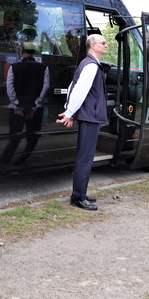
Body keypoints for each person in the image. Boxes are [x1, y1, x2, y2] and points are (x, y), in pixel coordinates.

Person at [56, 34, 108, 211]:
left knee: (84, 157)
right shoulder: (91, 66)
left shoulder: (87, 64)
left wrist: (69, 111)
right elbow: (78, 90)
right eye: (103, 43)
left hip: (88, 116)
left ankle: (80, 193)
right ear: (92, 45)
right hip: (89, 117)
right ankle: (78, 197)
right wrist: (69, 112)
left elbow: (72, 86)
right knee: (85, 158)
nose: (106, 45)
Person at [0, 44, 50, 165]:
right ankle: (22, 159)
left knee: (15, 136)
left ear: (22, 51)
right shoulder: (44, 68)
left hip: (17, 109)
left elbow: (10, 87)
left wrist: (16, 104)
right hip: (35, 109)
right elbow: (45, 87)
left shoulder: (14, 67)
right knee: (32, 137)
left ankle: (5, 160)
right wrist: (34, 107)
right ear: (33, 52)